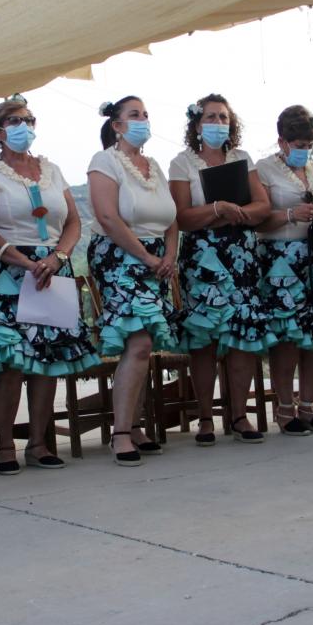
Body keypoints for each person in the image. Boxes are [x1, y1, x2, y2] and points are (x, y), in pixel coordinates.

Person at [0, 94, 99, 474]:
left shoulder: (52, 169)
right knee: (10, 358)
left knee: (48, 355)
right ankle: (6, 444)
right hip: (5, 269)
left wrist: (58, 256)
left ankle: (39, 443)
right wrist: (22, 261)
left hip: (51, 267)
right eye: (13, 121)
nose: (23, 127)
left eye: (28, 119)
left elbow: (72, 221)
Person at [168, 94, 271, 446]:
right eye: (210, 117)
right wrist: (217, 208)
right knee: (204, 340)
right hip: (202, 260)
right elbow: (181, 217)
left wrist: (239, 212)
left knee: (240, 334)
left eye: (223, 117)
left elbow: (263, 207)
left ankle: (239, 415)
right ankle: (206, 418)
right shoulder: (182, 163)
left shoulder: (242, 159)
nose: (217, 123)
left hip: (241, 255)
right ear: (197, 125)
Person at [88, 95, 180, 466]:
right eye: (134, 114)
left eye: (145, 113)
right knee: (138, 341)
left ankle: (136, 425)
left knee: (143, 346)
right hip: (120, 257)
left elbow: (172, 217)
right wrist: (145, 256)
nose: (143, 119)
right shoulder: (105, 161)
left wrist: (170, 256)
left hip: (158, 258)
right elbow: (108, 218)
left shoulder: (154, 165)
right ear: (117, 124)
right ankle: (121, 433)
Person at [251, 105, 313, 436]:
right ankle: (284, 408)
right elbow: (258, 218)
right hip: (280, 257)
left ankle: (308, 405)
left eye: (308, 145)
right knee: (287, 334)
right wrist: (291, 214)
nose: (304, 151)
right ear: (282, 141)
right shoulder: (263, 169)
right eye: (299, 144)